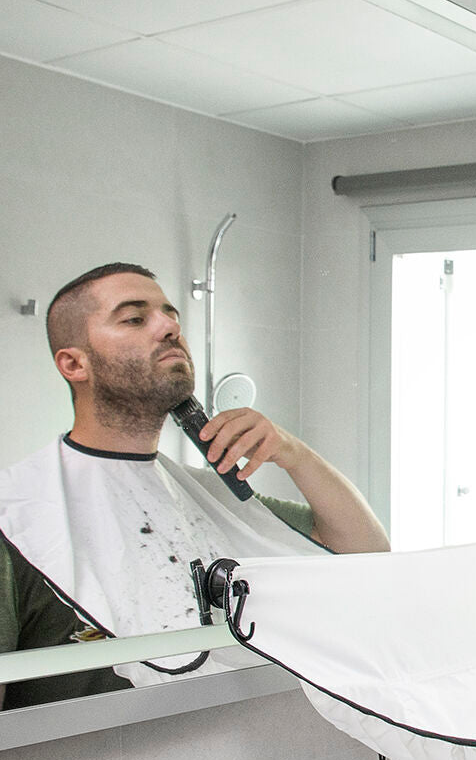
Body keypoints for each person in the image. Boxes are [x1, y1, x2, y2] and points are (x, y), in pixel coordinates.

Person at [0, 261, 388, 708]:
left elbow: (366, 555)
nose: (169, 327)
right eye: (134, 318)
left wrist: (293, 453)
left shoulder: (210, 493)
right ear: (74, 363)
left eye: (171, 315)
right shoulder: (18, 515)